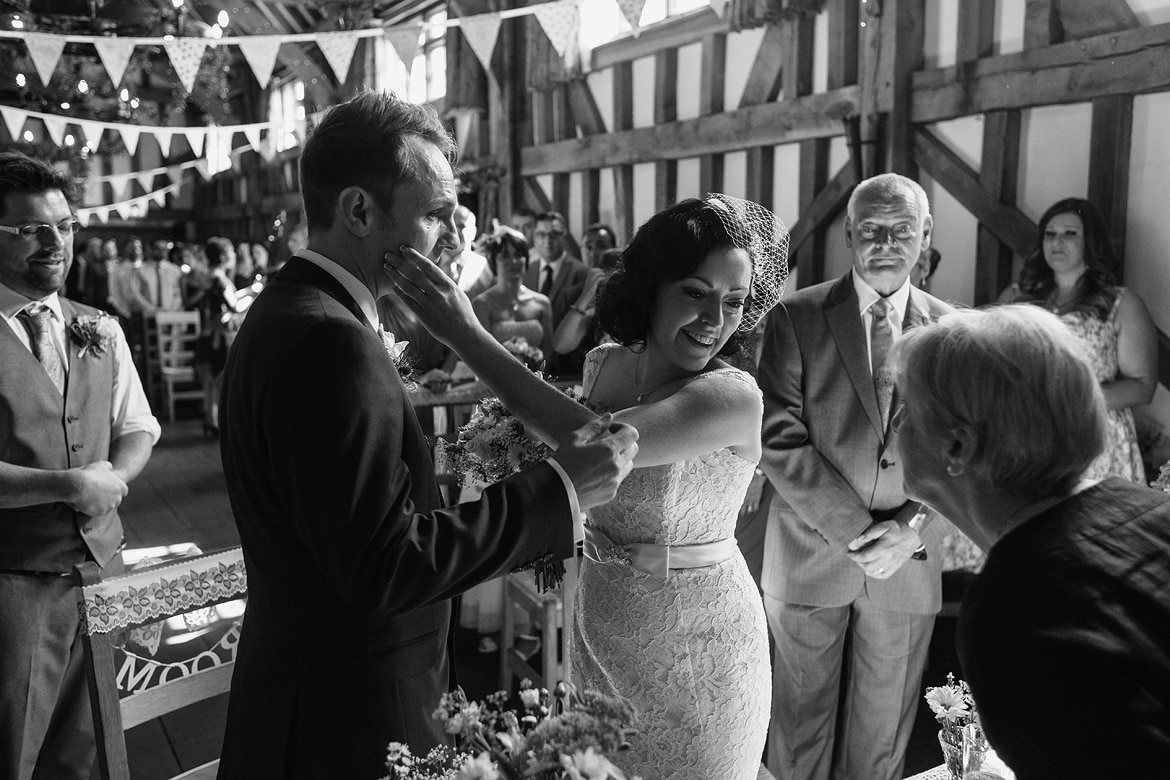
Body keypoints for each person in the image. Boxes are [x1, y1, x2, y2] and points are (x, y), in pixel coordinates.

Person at [215, 91, 637, 780]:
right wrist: (558, 490)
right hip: (345, 710)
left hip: (305, 684)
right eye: (437, 215)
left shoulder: (289, 309)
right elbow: (384, 565)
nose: (450, 238)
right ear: (359, 210)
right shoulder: (331, 342)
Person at [385, 193, 789, 780]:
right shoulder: (606, 365)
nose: (713, 320)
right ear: (651, 287)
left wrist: (465, 334)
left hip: (701, 645)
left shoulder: (730, 397)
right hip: (602, 619)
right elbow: (571, 455)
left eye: (733, 302)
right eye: (695, 292)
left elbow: (602, 445)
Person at [892, 304, 1170, 778]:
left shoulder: (1016, 612)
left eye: (909, 409)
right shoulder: (1150, 509)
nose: (895, 424)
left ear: (958, 447)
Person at [757, 172, 951, 780]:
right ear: (847, 234)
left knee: (882, 742)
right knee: (796, 734)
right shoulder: (796, 316)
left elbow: (962, 451)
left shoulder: (953, 330)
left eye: (901, 229)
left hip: (907, 561)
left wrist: (908, 530)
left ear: (925, 235)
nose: (885, 241)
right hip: (808, 553)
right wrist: (858, 532)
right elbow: (777, 436)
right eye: (870, 229)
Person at [0, 152, 159, 779]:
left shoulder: (100, 329)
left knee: (89, 744)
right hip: (14, 578)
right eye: (31, 229)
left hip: (100, 571)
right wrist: (67, 485)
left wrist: (114, 477)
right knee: (12, 748)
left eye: (64, 226)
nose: (54, 243)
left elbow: (138, 426)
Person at [999, 198, 1155, 483]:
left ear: (1090, 243)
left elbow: (1143, 387)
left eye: (1070, 233)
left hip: (1092, 433)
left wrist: (1067, 401)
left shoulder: (1121, 303)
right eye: (1050, 233)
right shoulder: (1017, 298)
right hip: (1028, 433)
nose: (1057, 242)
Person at [472, 226, 553, 360]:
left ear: (526, 260)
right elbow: (481, 354)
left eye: (518, 255)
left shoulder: (542, 303)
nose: (513, 261)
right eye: (505, 256)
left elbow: (548, 354)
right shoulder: (482, 304)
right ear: (493, 261)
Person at [193, 237, 245, 438]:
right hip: (221, 334)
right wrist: (255, 295)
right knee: (221, 378)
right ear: (223, 256)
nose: (234, 255)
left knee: (211, 381)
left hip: (208, 332)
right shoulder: (219, 278)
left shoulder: (208, 275)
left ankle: (210, 418)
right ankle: (217, 421)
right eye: (231, 251)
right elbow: (234, 306)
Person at [525, 211, 589, 375]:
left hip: (568, 364)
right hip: (531, 363)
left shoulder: (581, 272)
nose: (547, 241)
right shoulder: (527, 272)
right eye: (541, 234)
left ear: (564, 236)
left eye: (554, 234)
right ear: (534, 237)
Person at [442, 204, 494, 300]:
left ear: (473, 232)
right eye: (450, 225)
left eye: (461, 226)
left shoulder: (484, 266)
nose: (454, 231)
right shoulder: (427, 260)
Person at [128, 237, 183, 314]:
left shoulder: (174, 270)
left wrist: (172, 310)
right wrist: (151, 309)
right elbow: (135, 292)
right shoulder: (140, 270)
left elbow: (177, 293)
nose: (161, 252)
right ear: (150, 249)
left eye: (164, 249)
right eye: (158, 248)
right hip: (147, 313)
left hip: (170, 314)